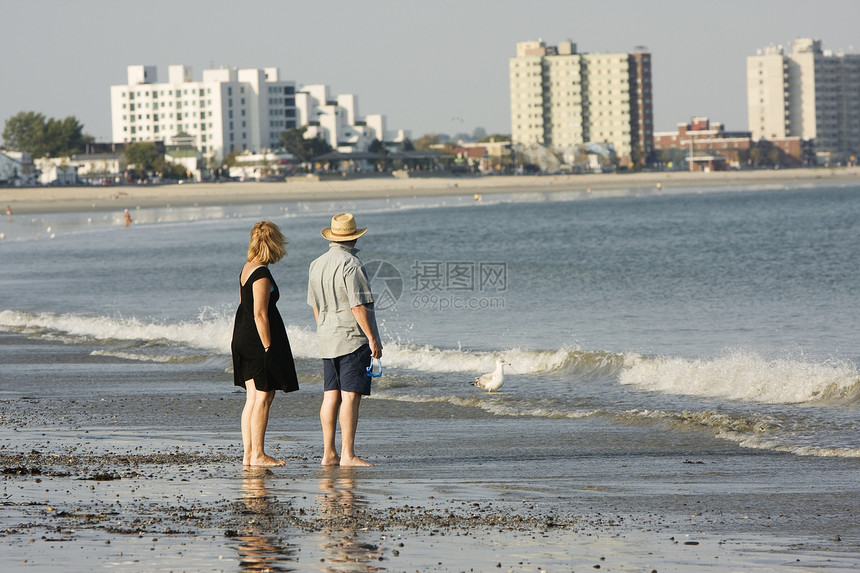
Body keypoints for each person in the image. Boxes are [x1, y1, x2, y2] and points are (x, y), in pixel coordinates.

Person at [307, 213, 383, 467]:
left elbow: (315, 306)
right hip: (351, 338)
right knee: (350, 396)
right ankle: (348, 455)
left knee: (331, 395)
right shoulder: (352, 264)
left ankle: (329, 453)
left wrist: (325, 329)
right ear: (353, 237)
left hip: (326, 337)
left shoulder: (316, 264)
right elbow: (358, 306)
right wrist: (373, 338)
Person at [231, 221, 299, 467]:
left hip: (242, 335)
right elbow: (260, 314)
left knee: (253, 397)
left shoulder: (247, 267)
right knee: (263, 395)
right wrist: (269, 348)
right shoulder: (260, 272)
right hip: (256, 340)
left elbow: (244, 306)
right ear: (274, 243)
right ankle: (257, 454)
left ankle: (249, 455)